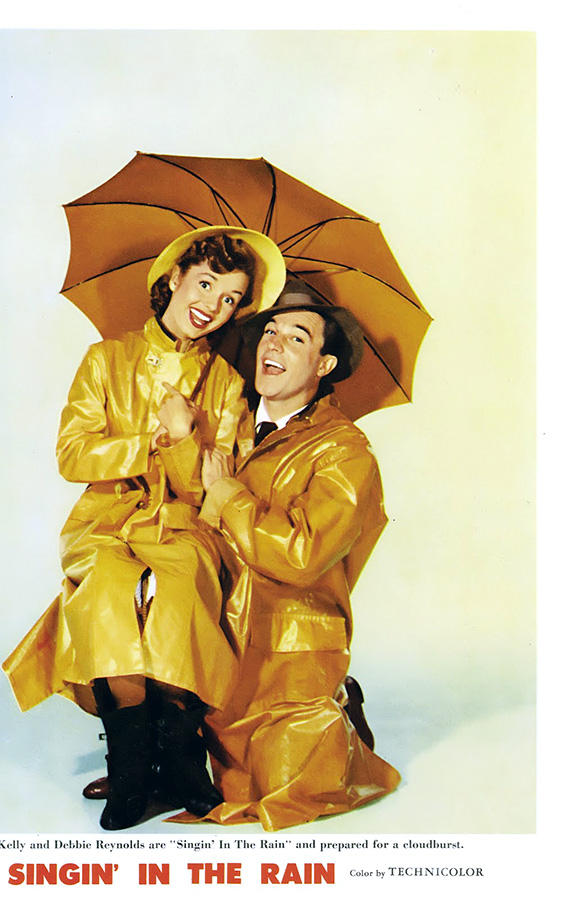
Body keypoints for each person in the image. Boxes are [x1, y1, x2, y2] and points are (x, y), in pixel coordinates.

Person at [2, 226, 286, 831]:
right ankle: (131, 770)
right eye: (204, 283)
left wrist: (185, 441)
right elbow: (72, 455)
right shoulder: (105, 359)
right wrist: (151, 440)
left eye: (231, 298)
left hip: (187, 526)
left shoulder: (228, 385)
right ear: (174, 278)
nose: (212, 304)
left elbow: (211, 486)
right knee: (109, 593)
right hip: (107, 521)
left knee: (177, 599)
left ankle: (180, 763)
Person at [186, 278, 401, 831]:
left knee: (281, 792)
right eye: (269, 331)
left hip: (288, 650)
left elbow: (303, 554)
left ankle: (337, 713)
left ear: (325, 365)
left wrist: (228, 494)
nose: (273, 344)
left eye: (296, 337)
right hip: (213, 635)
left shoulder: (345, 452)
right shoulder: (224, 421)